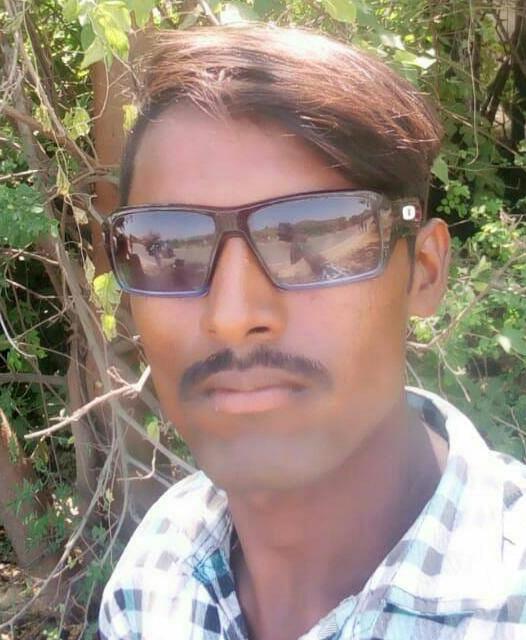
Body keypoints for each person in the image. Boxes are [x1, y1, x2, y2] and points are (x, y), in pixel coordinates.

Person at [98, 24, 526, 640]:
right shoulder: (155, 578)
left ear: (424, 271)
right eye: (167, 247)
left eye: (316, 238)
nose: (232, 314)